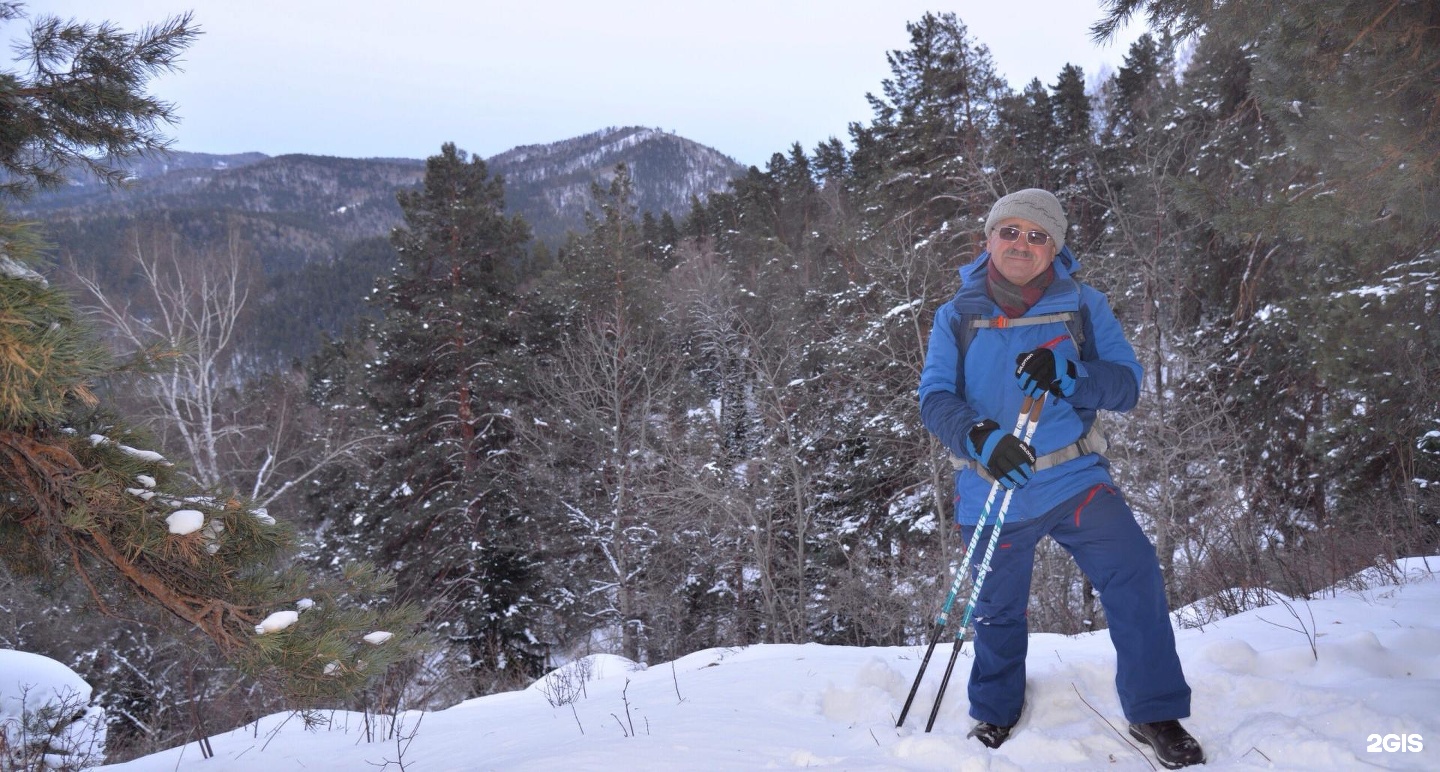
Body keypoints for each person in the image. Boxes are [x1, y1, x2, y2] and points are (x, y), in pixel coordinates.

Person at [917, 189, 1205, 769]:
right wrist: (981, 437)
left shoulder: (1082, 305)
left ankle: (1154, 710)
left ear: (1055, 247)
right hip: (991, 485)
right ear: (989, 239)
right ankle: (995, 709)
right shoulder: (957, 314)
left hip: (1073, 477)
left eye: (1037, 235)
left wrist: (1071, 376)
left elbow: (1125, 384)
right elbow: (935, 398)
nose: (1021, 244)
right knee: (997, 608)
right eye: (1010, 232)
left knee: (1133, 574)